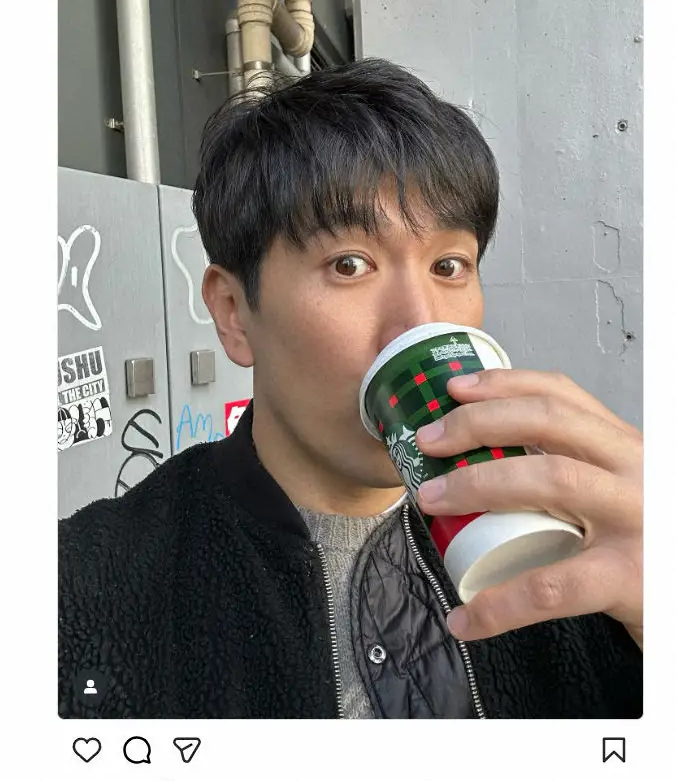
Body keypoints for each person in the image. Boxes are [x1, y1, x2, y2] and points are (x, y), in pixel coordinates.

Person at [58, 59, 642, 718]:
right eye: (349, 264)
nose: (420, 322)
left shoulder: (581, 544)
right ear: (233, 313)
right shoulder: (82, 588)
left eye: (449, 265)